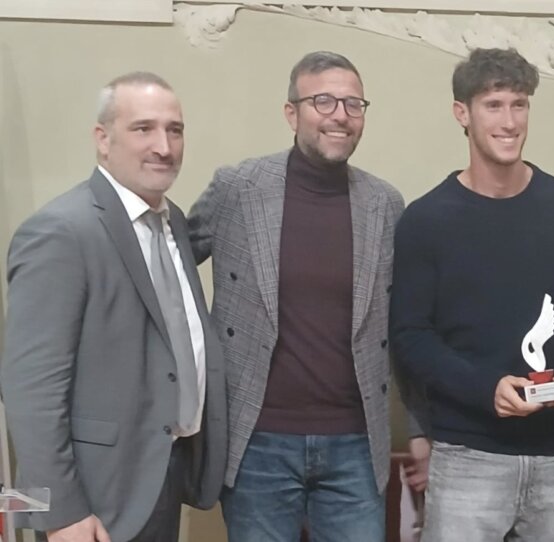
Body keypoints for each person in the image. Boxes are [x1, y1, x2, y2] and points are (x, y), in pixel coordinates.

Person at [187, 51, 416, 541]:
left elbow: (406, 324)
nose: (340, 115)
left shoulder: (384, 204)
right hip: (257, 443)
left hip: (356, 444)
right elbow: (170, 268)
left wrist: (419, 427)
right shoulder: (238, 189)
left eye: (353, 104)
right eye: (323, 101)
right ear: (291, 113)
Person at [0, 72, 227, 542]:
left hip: (159, 473)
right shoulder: (59, 231)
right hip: (89, 500)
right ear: (103, 139)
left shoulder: (171, 220)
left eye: (175, 130)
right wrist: (58, 514)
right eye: (143, 128)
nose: (164, 146)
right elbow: (27, 390)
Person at [389, 47, 554, 542]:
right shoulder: (426, 220)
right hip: (468, 456)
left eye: (519, 104)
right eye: (493, 105)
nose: (509, 121)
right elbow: (411, 337)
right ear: (461, 113)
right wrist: (485, 389)